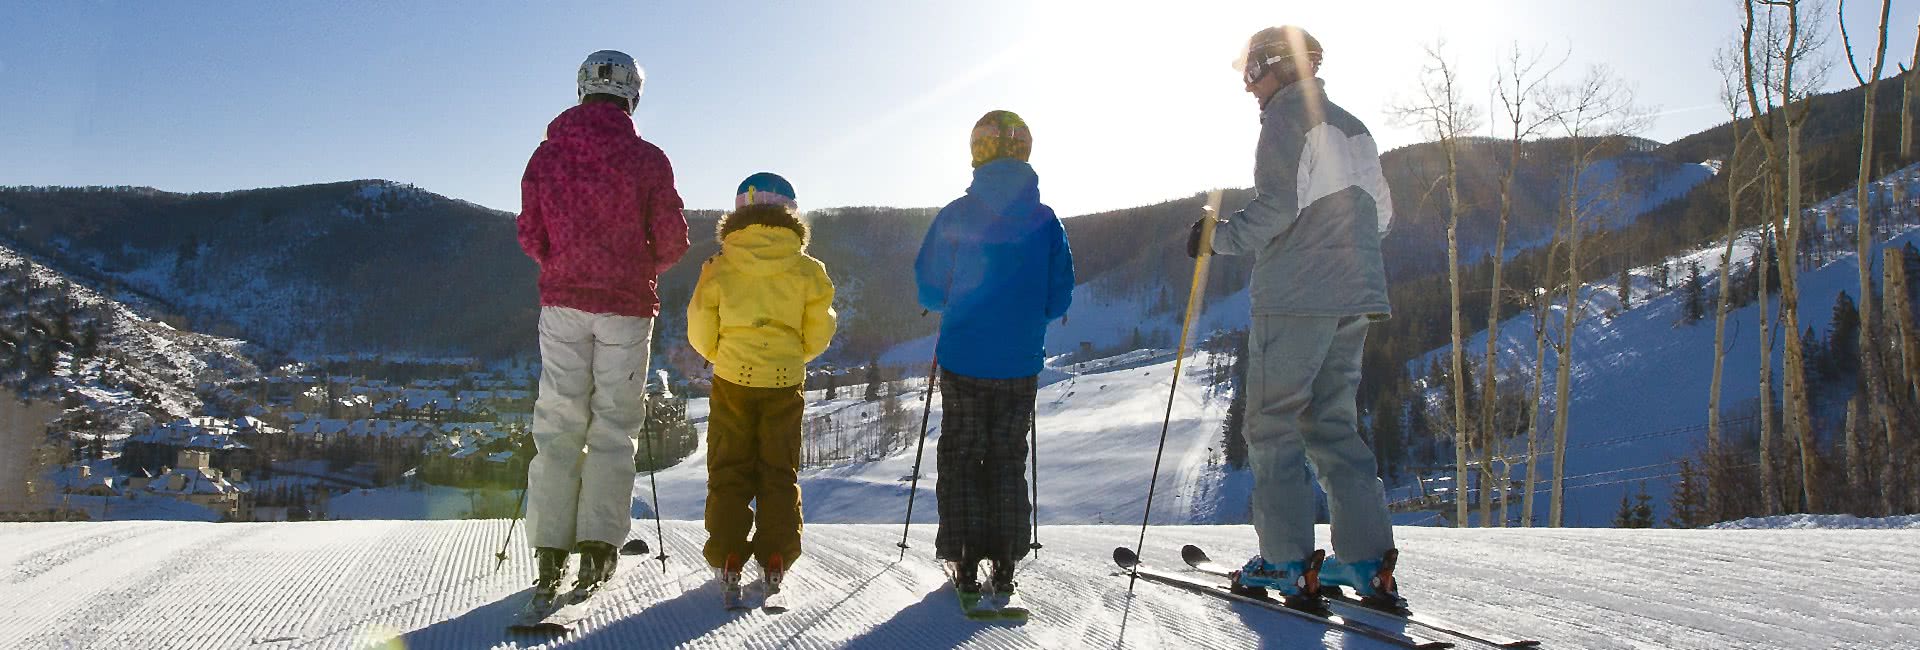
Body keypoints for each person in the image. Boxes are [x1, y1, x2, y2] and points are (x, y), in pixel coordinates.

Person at [1190, 26, 1403, 611]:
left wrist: (1218, 238)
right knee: (1333, 426)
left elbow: (1278, 208)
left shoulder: (1286, 118)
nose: (1248, 88)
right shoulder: (1353, 126)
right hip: (1354, 297)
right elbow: (1382, 217)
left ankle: (1285, 562)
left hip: (1296, 299)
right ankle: (1365, 561)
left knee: (1272, 423)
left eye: (1250, 74)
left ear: (1276, 66)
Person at [516, 49, 689, 614]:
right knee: (614, 426)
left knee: (559, 423)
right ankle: (598, 546)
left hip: (563, 302)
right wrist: (633, 270)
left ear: (581, 90)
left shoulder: (546, 156)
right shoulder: (647, 159)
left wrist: (562, 264)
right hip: (625, 307)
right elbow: (672, 241)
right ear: (633, 96)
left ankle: (549, 549)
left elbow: (530, 232)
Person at [915, 110, 1074, 606]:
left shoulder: (957, 214)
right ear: (1026, 152)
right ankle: (1005, 558)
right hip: (1019, 363)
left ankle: (963, 555)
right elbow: (1059, 298)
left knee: (962, 453)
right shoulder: (1046, 221)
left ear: (976, 152)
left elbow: (929, 285)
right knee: (1007, 456)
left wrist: (954, 304)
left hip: (963, 357)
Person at [686, 172, 837, 604]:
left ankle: (729, 552)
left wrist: (722, 354)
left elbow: (699, 327)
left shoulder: (718, 266)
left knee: (730, 466)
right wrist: (794, 355)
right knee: (778, 470)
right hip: (785, 380)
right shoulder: (809, 270)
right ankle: (776, 554)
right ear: (791, 212)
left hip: (732, 376)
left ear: (739, 212)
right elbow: (820, 331)